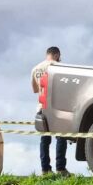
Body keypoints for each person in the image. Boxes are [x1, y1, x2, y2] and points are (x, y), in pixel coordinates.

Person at [31, 47, 69, 176]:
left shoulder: (36, 69)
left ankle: (45, 169)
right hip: (57, 108)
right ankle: (60, 168)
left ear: (47, 54)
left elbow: (36, 90)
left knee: (44, 140)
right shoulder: (60, 68)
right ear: (57, 55)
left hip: (42, 107)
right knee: (61, 138)